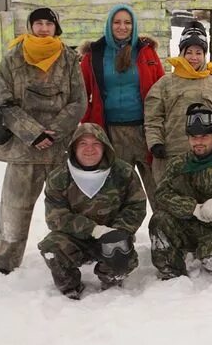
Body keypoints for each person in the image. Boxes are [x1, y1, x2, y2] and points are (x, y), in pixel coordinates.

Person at [0, 7, 87, 275]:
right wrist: (34, 134)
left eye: (48, 23)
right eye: (38, 23)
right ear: (30, 27)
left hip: (60, 149)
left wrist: (53, 132)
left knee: (65, 209)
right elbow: (4, 103)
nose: (43, 28)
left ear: (56, 28)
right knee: (14, 209)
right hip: (23, 150)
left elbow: (79, 101)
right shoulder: (12, 59)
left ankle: (69, 256)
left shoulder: (69, 59)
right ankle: (4, 264)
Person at [37, 123, 146, 299]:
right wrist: (94, 230)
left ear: (105, 147)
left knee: (122, 253)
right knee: (51, 246)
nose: (90, 149)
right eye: (83, 144)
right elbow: (56, 217)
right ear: (73, 148)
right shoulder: (59, 176)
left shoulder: (123, 171)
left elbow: (136, 205)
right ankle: (70, 286)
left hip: (112, 234)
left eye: (96, 144)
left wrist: (117, 231)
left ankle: (111, 282)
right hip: (75, 238)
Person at [148, 104, 212, 278]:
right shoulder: (178, 164)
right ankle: (172, 271)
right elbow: (162, 194)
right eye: (193, 137)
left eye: (204, 136)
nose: (198, 142)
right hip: (188, 225)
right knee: (159, 220)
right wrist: (192, 208)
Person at [80, 4, 165, 207]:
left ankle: (164, 233)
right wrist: (89, 125)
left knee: (158, 188)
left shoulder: (146, 52)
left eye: (127, 22)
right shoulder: (95, 54)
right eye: (117, 22)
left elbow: (162, 90)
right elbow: (81, 94)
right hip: (111, 133)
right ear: (109, 25)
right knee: (118, 192)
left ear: (134, 26)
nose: (122, 27)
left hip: (145, 132)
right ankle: (121, 237)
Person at [144, 20, 212, 185]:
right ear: (181, 53)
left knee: (204, 208)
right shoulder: (165, 83)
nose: (193, 57)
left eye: (198, 53)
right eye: (189, 52)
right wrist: (156, 143)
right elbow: (152, 118)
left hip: (207, 159)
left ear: (204, 55)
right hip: (171, 159)